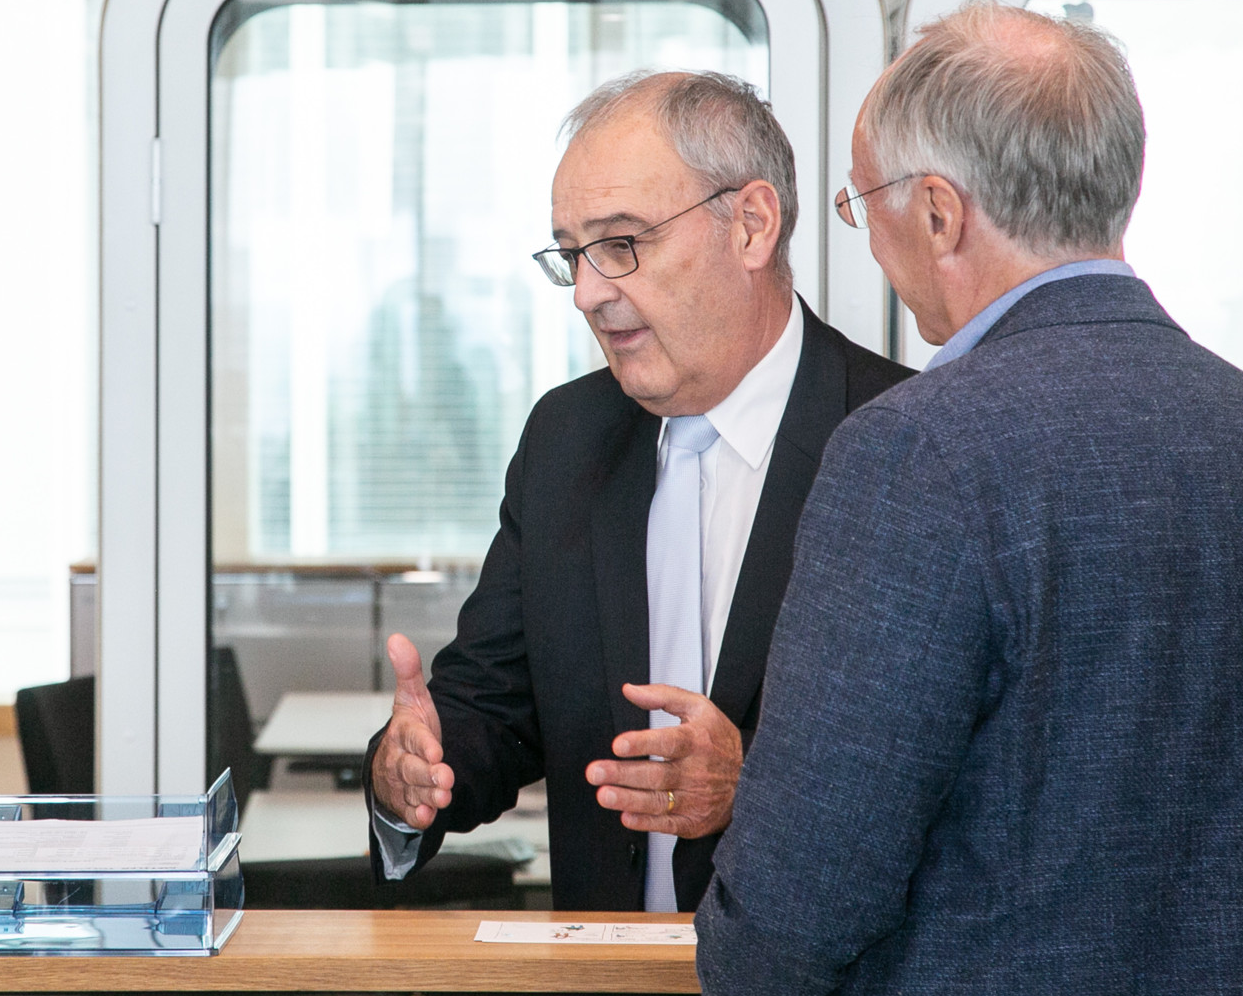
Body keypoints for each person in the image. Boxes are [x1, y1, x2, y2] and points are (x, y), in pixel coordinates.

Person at [696, 0, 1243, 996]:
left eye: (864, 203)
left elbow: (803, 887)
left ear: (939, 212)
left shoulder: (914, 454)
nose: (868, 233)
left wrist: (737, 993)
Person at [365, 71, 910, 910]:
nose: (589, 291)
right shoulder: (565, 438)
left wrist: (752, 785)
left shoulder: (905, 442)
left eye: (622, 244)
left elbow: (958, 778)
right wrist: (414, 767)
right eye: (573, 253)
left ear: (751, 225)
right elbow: (490, 705)